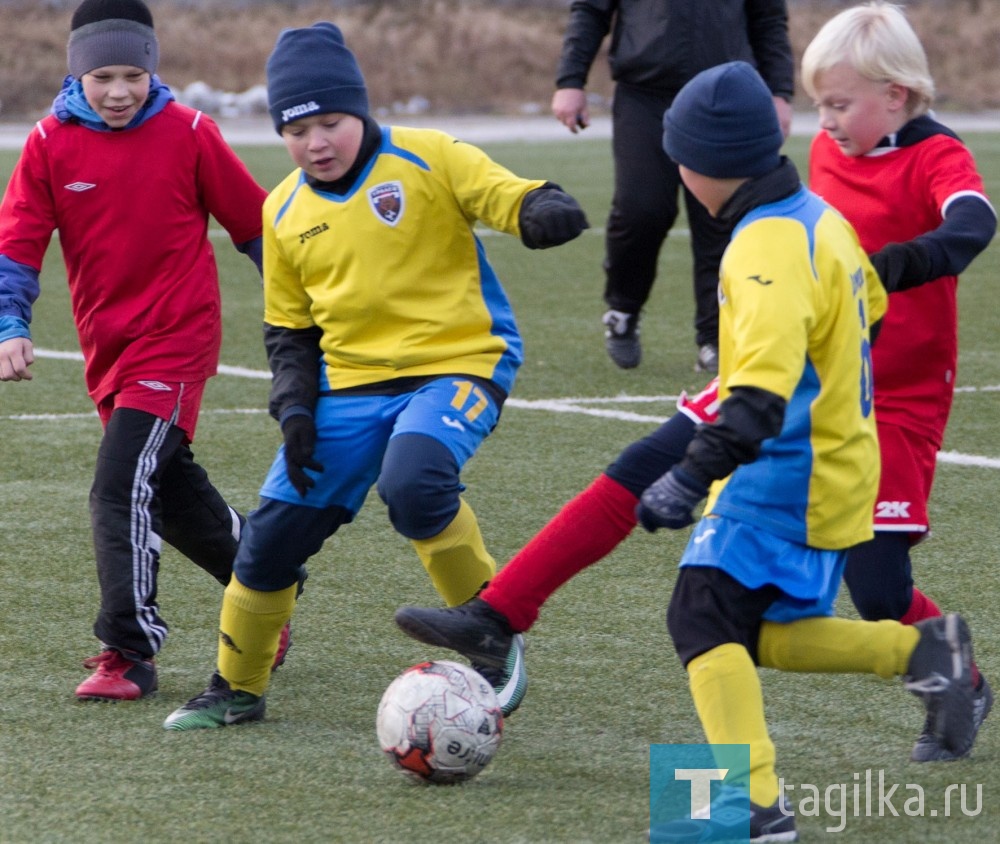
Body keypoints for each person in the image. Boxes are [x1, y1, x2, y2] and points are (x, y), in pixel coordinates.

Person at [402, 62, 981, 841]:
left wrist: (691, 474)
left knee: (699, 615)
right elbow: (865, 310)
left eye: (678, 156)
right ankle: (920, 652)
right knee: (746, 633)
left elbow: (760, 398)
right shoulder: (818, 217)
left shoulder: (762, 248)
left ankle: (749, 808)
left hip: (787, 469)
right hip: (833, 464)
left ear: (703, 165)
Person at [160, 22, 588, 731]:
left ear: (358, 111)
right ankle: (236, 687)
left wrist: (543, 210)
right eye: (296, 131)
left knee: (414, 482)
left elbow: (508, 196)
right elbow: (290, 331)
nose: (315, 143)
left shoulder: (428, 155)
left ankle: (489, 634)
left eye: (330, 123)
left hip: (459, 363)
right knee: (269, 539)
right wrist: (296, 412)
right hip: (348, 388)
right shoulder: (283, 210)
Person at [0, 0, 295, 702]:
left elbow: (259, 230)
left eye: (134, 74)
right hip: (109, 349)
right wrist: (11, 323)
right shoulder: (47, 145)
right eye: (103, 76)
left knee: (117, 484)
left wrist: (313, 314)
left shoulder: (191, 133)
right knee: (163, 489)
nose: (120, 91)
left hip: (176, 342)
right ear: (78, 75)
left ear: (153, 69)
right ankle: (267, 580)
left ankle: (128, 651)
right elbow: (16, 246)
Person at [802, 1, 996, 762]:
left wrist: (895, 266)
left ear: (899, 96)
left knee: (879, 588)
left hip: (904, 394)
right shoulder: (828, 149)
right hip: (824, 385)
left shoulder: (935, 154)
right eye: (819, 103)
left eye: (841, 103)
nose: (827, 121)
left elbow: (974, 222)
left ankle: (964, 681)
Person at [551, 0, 794, 372]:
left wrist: (779, 91)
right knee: (641, 210)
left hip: (724, 98)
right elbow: (590, 9)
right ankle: (624, 309)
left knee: (721, 219)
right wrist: (570, 80)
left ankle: (714, 338)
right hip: (644, 94)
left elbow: (769, 19)